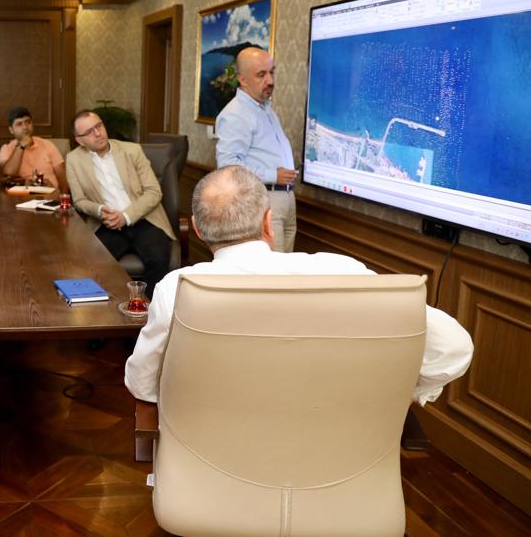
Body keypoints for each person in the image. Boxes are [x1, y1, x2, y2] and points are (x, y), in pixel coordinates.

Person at [124, 165, 474, 405]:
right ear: (269, 223)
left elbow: (142, 384)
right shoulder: (342, 273)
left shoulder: (177, 288)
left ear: (199, 231)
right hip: (332, 464)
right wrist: (389, 397)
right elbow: (453, 346)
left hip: (210, 462)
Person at [66, 110, 175, 296]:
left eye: (99, 126)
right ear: (79, 140)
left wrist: (125, 216)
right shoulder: (73, 159)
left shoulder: (132, 150)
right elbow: (79, 200)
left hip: (144, 219)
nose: (98, 133)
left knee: (158, 259)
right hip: (106, 223)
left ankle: (147, 310)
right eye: (89, 132)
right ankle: (112, 310)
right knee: (93, 265)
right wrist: (100, 210)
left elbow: (154, 191)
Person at [215, 46, 298, 252]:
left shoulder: (265, 109)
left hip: (285, 201)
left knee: (285, 268)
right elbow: (228, 167)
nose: (270, 80)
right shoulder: (235, 114)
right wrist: (274, 175)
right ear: (243, 80)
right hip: (264, 201)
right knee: (272, 270)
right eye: (261, 75)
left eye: (272, 72)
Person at [0, 106, 67, 191]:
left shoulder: (47, 145)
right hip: (22, 195)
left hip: (51, 193)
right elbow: (9, 172)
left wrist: (62, 196)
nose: (25, 127)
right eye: (19, 124)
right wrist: (21, 146)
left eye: (28, 122)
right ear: (11, 130)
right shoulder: (6, 148)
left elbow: (63, 178)